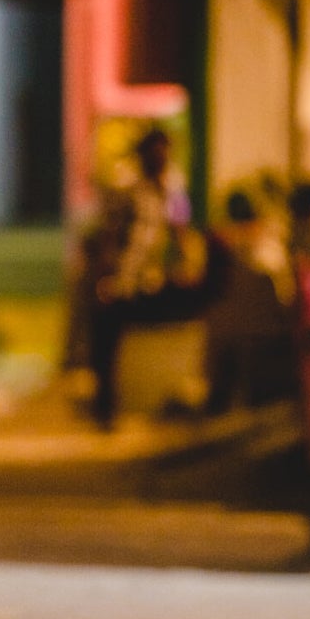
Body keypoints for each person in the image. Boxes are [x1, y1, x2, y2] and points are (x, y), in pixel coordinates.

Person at [85, 126, 210, 427]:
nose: (160, 158)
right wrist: (106, 278)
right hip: (126, 282)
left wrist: (187, 266)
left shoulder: (171, 192)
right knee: (105, 332)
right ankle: (106, 406)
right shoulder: (129, 192)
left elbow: (181, 233)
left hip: (154, 282)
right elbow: (110, 239)